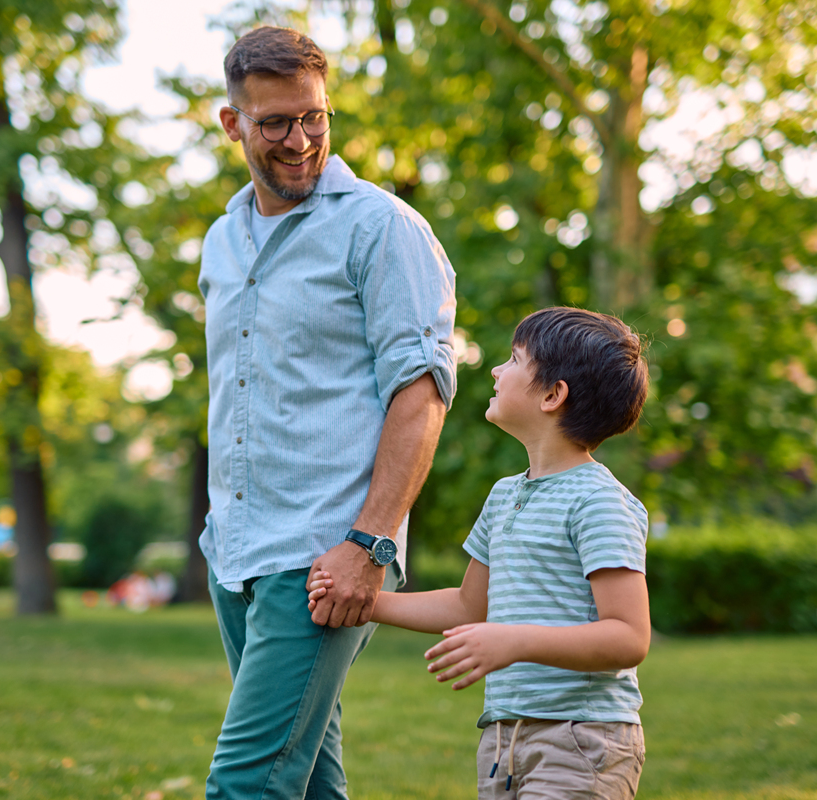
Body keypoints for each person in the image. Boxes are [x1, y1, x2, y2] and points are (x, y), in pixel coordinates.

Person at [198, 25, 457, 800]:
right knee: (307, 785)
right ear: (233, 123)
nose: (300, 140)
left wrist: (367, 544)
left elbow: (420, 395)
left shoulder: (382, 229)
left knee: (244, 787)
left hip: (320, 556)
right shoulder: (221, 241)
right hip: (235, 552)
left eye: (314, 117)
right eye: (275, 121)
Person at [310, 307, 652, 798]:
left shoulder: (599, 501)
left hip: (581, 737)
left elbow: (628, 636)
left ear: (554, 395)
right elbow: (469, 606)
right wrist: (363, 600)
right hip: (503, 739)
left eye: (513, 360)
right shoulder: (505, 494)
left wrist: (513, 641)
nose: (495, 370)